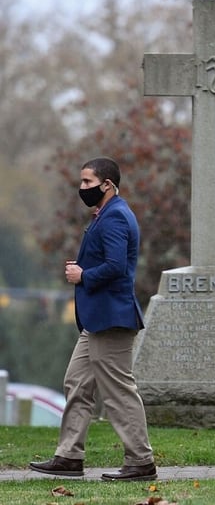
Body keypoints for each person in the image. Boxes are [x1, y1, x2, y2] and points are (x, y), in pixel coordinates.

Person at [29, 157, 156, 481]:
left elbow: (117, 267)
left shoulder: (114, 217)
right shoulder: (108, 214)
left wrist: (83, 274)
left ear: (107, 185)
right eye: (82, 182)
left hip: (112, 320)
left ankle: (141, 461)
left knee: (118, 391)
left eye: (87, 182)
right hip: (97, 321)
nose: (82, 188)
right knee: (77, 382)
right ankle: (69, 456)